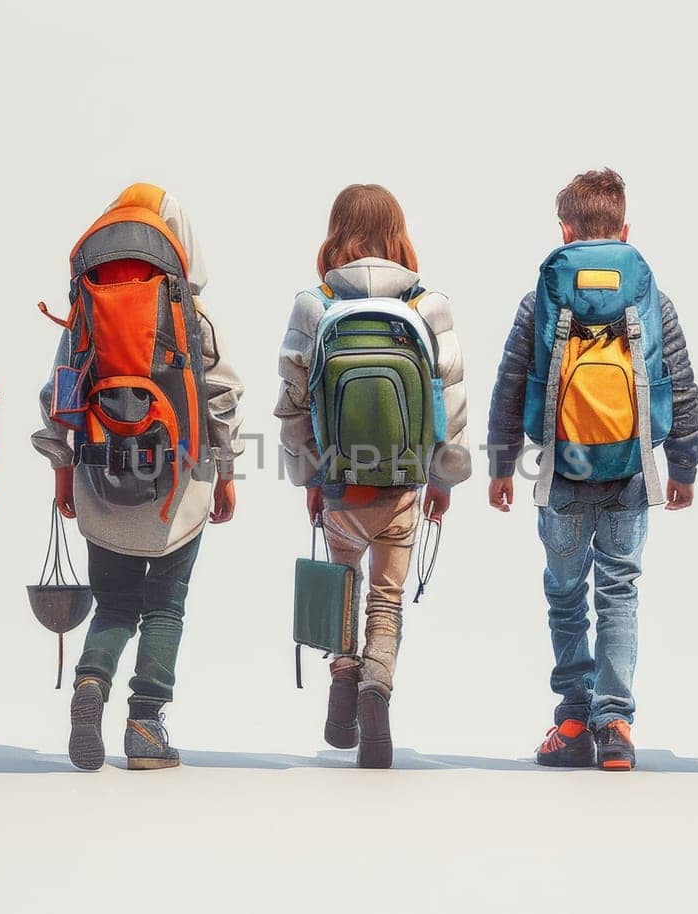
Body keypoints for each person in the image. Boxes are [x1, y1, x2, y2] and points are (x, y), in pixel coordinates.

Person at [486, 168, 698, 772]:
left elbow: (510, 384)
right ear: (625, 229)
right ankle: (617, 727)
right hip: (632, 469)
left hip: (562, 467)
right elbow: (679, 384)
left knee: (564, 594)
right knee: (619, 591)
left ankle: (575, 718)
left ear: (565, 230)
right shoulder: (652, 298)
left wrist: (502, 464)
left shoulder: (542, 299)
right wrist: (683, 464)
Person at [34, 183, 243, 772]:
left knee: (113, 605)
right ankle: (146, 727)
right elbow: (223, 397)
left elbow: (61, 394)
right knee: (165, 607)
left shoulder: (85, 312)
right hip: (180, 484)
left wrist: (62, 473)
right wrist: (226, 474)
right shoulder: (189, 314)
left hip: (99, 477)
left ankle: (90, 684)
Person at [275, 183, 471, 769]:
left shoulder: (315, 305)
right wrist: (444, 477)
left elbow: (292, 402)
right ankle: (376, 692)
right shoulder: (426, 306)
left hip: (340, 487)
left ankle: (342, 683)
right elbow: (450, 402)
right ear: (398, 234)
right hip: (403, 488)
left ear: (336, 233)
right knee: (386, 599)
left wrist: (308, 476)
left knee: (342, 586)